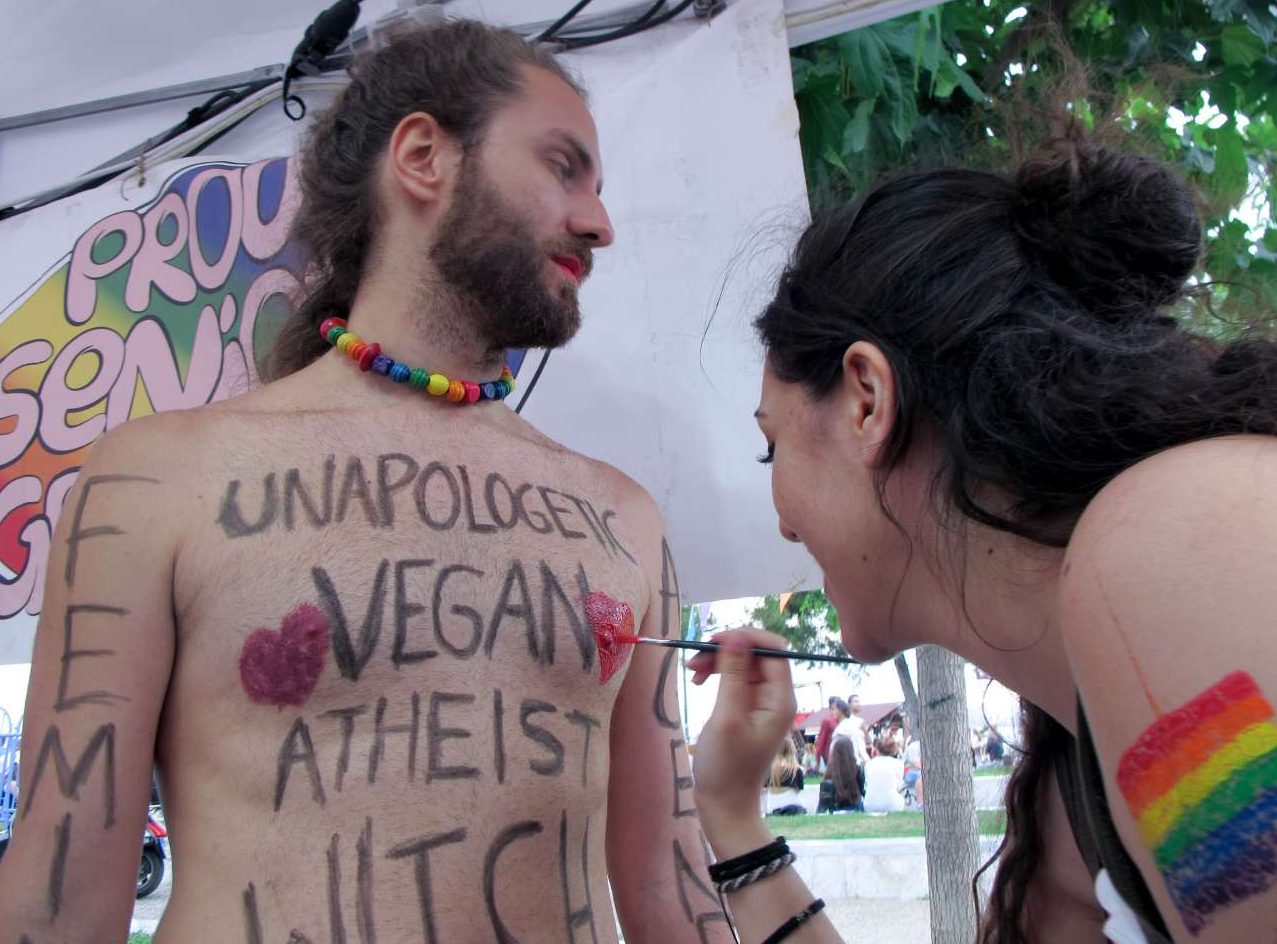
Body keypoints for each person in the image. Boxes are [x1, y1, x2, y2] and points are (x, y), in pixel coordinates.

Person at [0, 20, 732, 944]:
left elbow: (666, 880)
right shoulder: (152, 484)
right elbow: (58, 903)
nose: (599, 223)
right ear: (423, 157)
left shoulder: (622, 520)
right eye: (562, 168)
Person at [686, 127, 1277, 944]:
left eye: (771, 446)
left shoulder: (1169, 538)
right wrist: (730, 815)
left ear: (865, 400)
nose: (781, 519)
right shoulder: (1068, 787)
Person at [816, 737, 863, 814]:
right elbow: (862, 792)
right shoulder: (857, 771)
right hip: (855, 808)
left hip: (834, 809)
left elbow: (821, 808)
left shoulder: (830, 773)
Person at [861, 740, 906, 813]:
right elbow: (899, 787)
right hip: (892, 805)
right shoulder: (899, 764)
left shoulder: (869, 764)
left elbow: (866, 785)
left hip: (870, 805)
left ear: (877, 750)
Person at [813, 696, 847, 769]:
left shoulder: (844, 719)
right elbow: (821, 740)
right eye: (837, 704)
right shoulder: (827, 720)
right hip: (831, 756)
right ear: (831, 706)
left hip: (844, 754)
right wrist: (818, 761)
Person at [902, 734, 923, 808]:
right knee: (921, 775)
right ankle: (920, 804)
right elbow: (916, 765)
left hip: (918, 771)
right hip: (908, 772)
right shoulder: (914, 747)